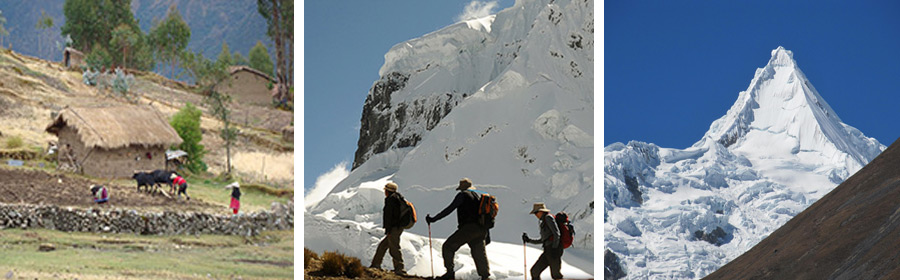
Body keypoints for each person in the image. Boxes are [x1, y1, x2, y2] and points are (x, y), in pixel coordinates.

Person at [425, 178, 491, 280]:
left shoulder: (462, 195)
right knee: (478, 253)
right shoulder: (478, 197)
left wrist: (434, 219)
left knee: (448, 247)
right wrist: (487, 234)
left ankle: (450, 273)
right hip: (481, 229)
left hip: (468, 228)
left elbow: (449, 209)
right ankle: (485, 276)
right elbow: (485, 215)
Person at [369, 182, 406, 275]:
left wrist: (388, 230)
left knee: (394, 248)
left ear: (388, 191)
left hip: (394, 228)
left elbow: (389, 216)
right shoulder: (398, 198)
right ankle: (375, 264)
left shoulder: (390, 200)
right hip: (398, 227)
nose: (384, 191)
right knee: (383, 245)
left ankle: (399, 269)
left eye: (385, 190)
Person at [522, 203, 563, 280]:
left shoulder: (548, 218)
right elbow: (544, 239)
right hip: (549, 250)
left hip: (553, 250)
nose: (535, 215)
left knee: (556, 275)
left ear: (541, 211)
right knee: (535, 271)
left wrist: (554, 248)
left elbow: (557, 233)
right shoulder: (544, 220)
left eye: (536, 212)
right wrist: (529, 240)